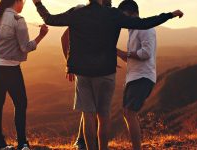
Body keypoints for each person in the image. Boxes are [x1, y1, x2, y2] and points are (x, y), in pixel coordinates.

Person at [33, 0, 183, 149]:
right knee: (103, 117)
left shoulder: (77, 13)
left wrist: (38, 3)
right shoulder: (113, 14)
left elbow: (50, 19)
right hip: (106, 72)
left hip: (83, 73)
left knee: (88, 115)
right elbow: (144, 23)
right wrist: (170, 15)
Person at [0, 0, 49, 149]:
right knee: (21, 103)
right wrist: (41, 35)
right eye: (23, 2)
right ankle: (22, 143)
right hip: (9, 66)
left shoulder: (0, 16)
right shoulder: (18, 20)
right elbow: (25, 47)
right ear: (17, 2)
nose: (23, 5)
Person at [60, 0, 112, 149]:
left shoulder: (97, 17)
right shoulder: (82, 12)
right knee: (90, 109)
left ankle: (82, 140)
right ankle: (82, 141)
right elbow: (64, 38)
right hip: (83, 68)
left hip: (92, 68)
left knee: (90, 108)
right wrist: (69, 65)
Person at [116, 1, 159, 149]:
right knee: (128, 112)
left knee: (130, 112)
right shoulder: (133, 30)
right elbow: (133, 55)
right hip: (134, 77)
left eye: (123, 16)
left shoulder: (145, 28)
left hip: (143, 77)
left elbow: (146, 53)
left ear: (132, 13)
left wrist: (125, 54)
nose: (122, 20)